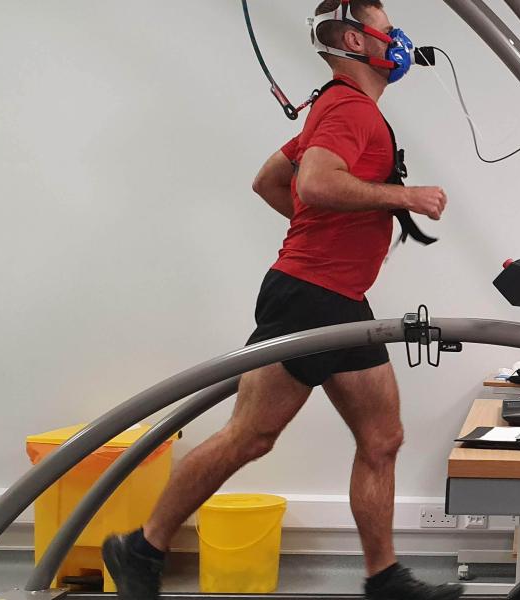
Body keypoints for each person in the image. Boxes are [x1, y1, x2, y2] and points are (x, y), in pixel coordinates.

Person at [102, 2, 459, 599]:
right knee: (250, 436)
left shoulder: (335, 108)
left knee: (382, 439)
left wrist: (328, 227)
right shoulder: (347, 107)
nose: (397, 39)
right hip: (308, 299)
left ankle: (385, 577)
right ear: (354, 38)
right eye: (386, 27)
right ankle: (140, 548)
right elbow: (315, 182)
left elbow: (270, 178)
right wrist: (404, 196)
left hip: (339, 298)